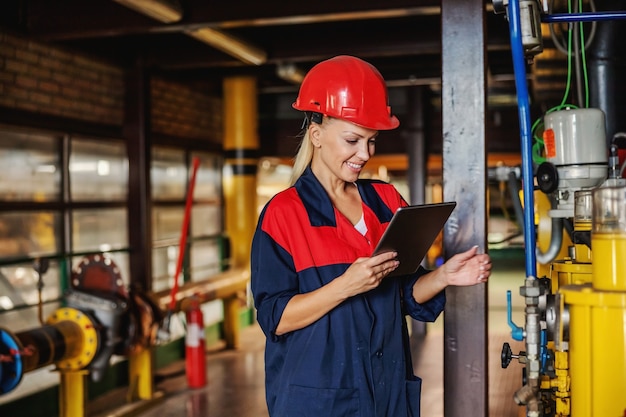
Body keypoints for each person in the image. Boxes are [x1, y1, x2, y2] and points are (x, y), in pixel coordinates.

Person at [250, 55, 492, 417]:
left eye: (372, 141)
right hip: (319, 402)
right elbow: (276, 317)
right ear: (316, 135)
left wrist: (444, 276)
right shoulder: (284, 214)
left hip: (386, 392)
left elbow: (404, 294)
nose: (364, 154)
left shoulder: (386, 201)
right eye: (353, 140)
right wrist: (345, 285)